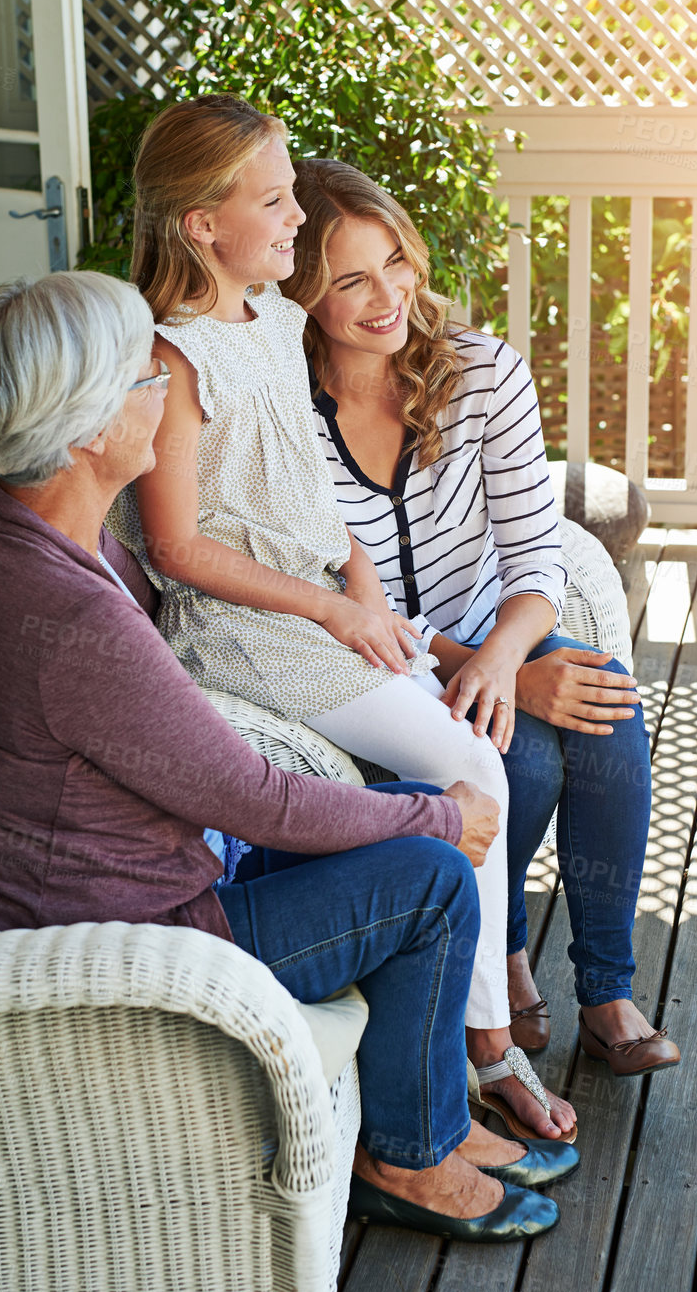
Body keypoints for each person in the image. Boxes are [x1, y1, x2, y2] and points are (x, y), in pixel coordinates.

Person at [0, 270, 578, 1242]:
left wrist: (420, 801)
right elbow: (251, 796)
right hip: (134, 941)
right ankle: (410, 1155)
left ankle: (428, 1116)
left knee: (407, 815)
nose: (164, 391)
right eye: (143, 377)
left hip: (134, 883)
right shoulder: (70, 616)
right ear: (86, 429)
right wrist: (441, 814)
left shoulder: (34, 538)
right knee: (433, 872)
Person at [106, 94, 576, 1143]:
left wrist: (359, 578)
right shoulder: (173, 357)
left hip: (329, 609)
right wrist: (328, 602)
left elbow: (315, 509)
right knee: (477, 773)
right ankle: (485, 1049)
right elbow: (179, 548)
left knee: (474, 761)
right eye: (274, 202)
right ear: (201, 225)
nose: (293, 223)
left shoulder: (272, 316)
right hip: (247, 631)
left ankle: (470, 1021)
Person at [281, 159, 680, 1079]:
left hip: (495, 626)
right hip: (378, 658)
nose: (388, 297)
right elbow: (342, 600)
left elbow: (539, 555)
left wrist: (503, 659)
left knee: (606, 706)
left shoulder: (483, 373)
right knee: (525, 754)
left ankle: (607, 987)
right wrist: (476, 668)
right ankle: (504, 962)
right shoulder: (286, 417)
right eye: (350, 279)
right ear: (303, 293)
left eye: (396, 264)